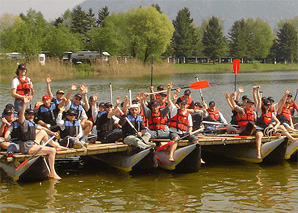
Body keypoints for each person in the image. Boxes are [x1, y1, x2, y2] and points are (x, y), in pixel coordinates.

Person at [7, 96, 63, 179]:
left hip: (31, 144)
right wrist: (25, 104)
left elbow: (42, 128)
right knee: (52, 151)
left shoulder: (32, 123)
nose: (31, 116)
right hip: (26, 147)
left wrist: (52, 133)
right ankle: (53, 173)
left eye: (32, 115)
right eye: (29, 115)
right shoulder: (24, 123)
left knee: (43, 132)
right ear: (25, 115)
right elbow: (21, 115)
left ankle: (58, 146)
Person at [167, 83, 199, 162]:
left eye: (184, 105)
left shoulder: (188, 115)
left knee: (195, 140)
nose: (183, 106)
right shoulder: (174, 110)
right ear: (180, 104)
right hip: (174, 132)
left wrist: (190, 131)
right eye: (182, 104)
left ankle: (198, 157)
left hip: (184, 133)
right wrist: (169, 89)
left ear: (186, 105)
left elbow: (190, 126)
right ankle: (171, 156)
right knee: (175, 139)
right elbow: (168, 100)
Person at [230, 92, 262, 159]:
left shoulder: (253, 113)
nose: (251, 106)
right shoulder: (242, 111)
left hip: (252, 129)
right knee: (250, 124)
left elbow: (259, 104)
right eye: (249, 104)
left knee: (260, 134)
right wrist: (231, 98)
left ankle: (258, 152)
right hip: (244, 130)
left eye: (252, 105)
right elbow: (234, 105)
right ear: (246, 104)